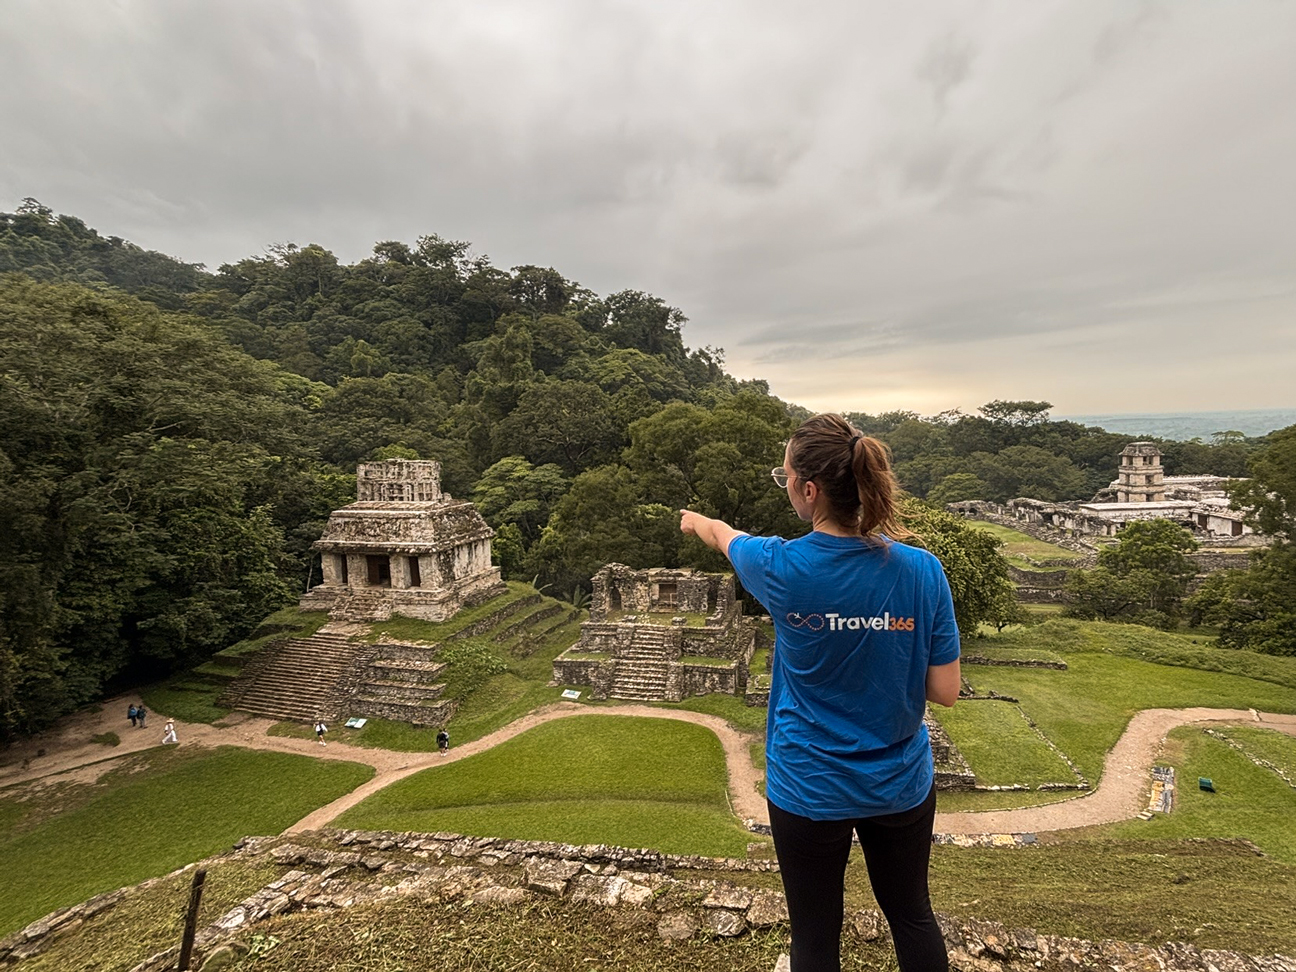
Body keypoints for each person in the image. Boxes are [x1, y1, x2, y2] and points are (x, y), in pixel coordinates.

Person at [680, 413, 960, 972]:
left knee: (813, 933)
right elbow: (944, 690)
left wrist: (696, 520)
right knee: (911, 915)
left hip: (809, 783)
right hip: (897, 782)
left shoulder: (780, 566)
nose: (784, 484)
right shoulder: (922, 570)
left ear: (809, 491)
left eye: (784, 476)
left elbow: (722, 536)